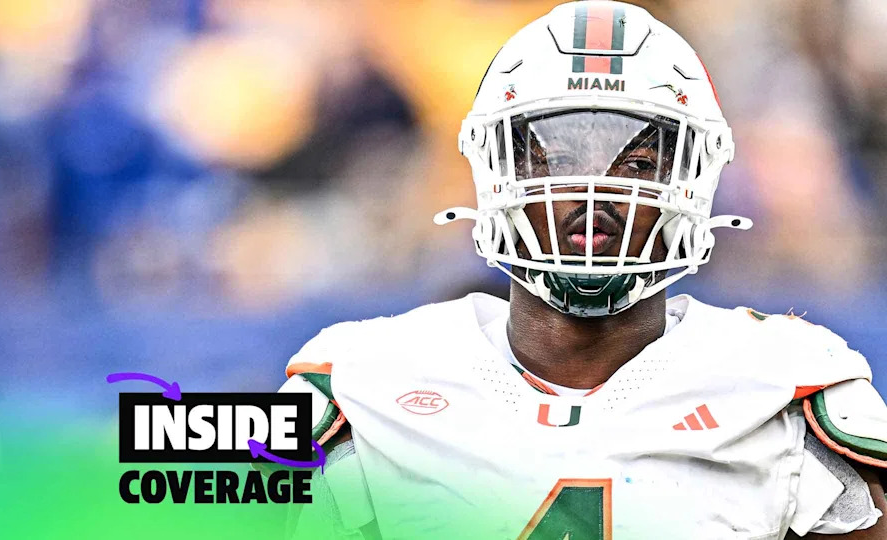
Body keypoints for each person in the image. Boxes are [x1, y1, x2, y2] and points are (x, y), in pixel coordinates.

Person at [272, 2, 887, 538]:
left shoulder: (786, 390)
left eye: (636, 162)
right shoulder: (357, 387)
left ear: (695, 178)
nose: (595, 189)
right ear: (495, 169)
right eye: (557, 157)